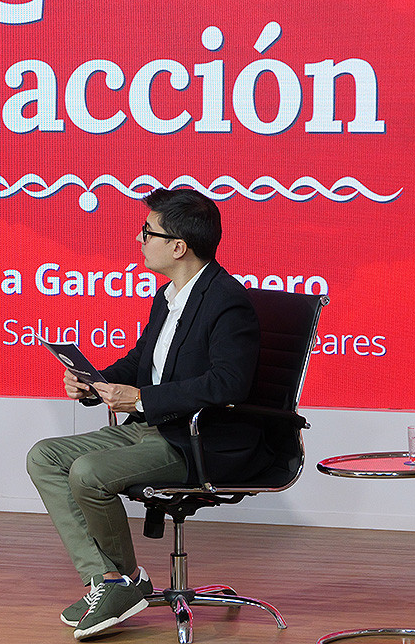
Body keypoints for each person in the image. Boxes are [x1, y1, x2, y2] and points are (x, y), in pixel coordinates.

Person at [26, 188, 265, 641]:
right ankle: (111, 582)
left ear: (179, 247)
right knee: (44, 457)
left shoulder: (227, 301)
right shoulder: (169, 294)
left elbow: (227, 384)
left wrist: (138, 399)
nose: (139, 240)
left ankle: (120, 583)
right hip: (153, 426)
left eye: (147, 232)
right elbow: (143, 362)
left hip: (195, 439)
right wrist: (96, 383)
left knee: (89, 471)